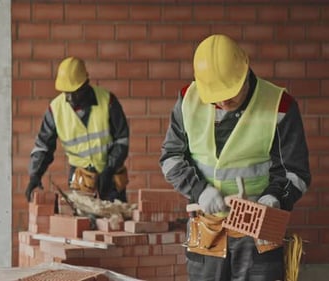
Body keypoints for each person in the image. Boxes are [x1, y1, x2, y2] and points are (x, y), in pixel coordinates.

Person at [160, 34, 311, 280]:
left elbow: (295, 172)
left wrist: (275, 198)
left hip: (258, 233)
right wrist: (200, 190)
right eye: (216, 95)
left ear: (245, 70)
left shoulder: (280, 105)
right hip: (207, 230)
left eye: (231, 91)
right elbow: (171, 158)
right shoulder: (188, 100)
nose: (223, 100)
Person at [25, 56, 130, 203]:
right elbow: (43, 146)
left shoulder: (107, 101)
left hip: (111, 181)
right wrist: (34, 175)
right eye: (65, 92)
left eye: (74, 92)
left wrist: (109, 168)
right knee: (82, 224)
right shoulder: (55, 110)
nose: (69, 97)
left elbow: (122, 139)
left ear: (85, 85)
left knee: (115, 223)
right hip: (82, 182)